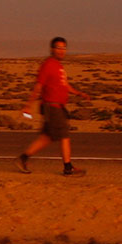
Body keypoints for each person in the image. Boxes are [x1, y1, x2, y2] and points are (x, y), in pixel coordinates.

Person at [18, 36, 87, 176]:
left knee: (47, 137)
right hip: (52, 107)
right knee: (64, 136)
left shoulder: (58, 66)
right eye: (58, 48)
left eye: (64, 48)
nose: (61, 51)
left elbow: (64, 85)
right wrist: (28, 105)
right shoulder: (48, 64)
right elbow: (39, 85)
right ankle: (68, 168)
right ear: (52, 49)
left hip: (58, 106)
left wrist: (78, 93)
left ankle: (23, 158)